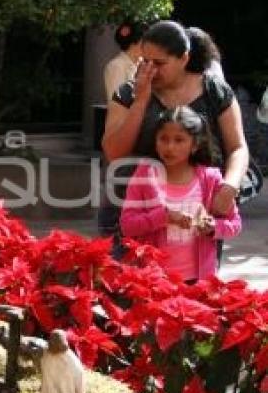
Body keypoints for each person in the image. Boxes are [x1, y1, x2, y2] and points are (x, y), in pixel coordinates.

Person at [101, 20, 248, 253]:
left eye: (159, 63)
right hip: (136, 210)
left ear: (184, 59)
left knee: (195, 283)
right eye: (145, 61)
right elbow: (114, 152)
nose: (150, 69)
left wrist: (229, 187)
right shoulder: (128, 93)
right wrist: (140, 100)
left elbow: (238, 147)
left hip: (196, 212)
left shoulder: (215, 92)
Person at [120, 107, 241, 280]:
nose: (170, 147)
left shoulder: (210, 179)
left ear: (195, 145)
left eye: (179, 140)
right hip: (154, 279)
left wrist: (213, 227)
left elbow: (235, 224)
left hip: (199, 280)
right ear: (155, 141)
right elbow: (127, 226)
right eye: (163, 139)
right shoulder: (144, 175)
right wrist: (164, 217)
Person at [103, 21, 147, 103]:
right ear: (134, 43)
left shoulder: (143, 64)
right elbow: (118, 103)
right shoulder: (116, 66)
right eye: (145, 41)